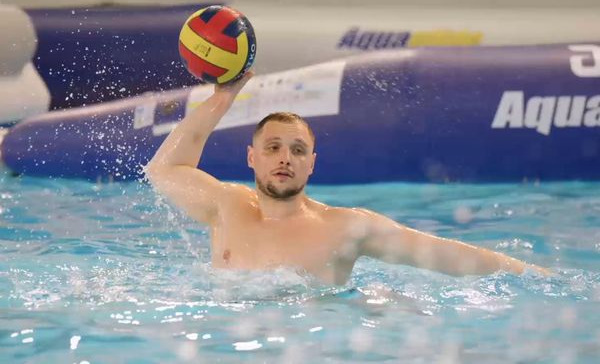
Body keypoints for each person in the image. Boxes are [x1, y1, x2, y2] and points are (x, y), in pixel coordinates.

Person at [145, 72, 549, 285]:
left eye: (298, 150)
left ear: (312, 164)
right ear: (251, 157)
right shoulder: (225, 206)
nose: (285, 158)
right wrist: (222, 98)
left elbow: (443, 254)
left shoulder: (345, 228)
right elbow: (164, 170)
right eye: (272, 148)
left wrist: (535, 277)